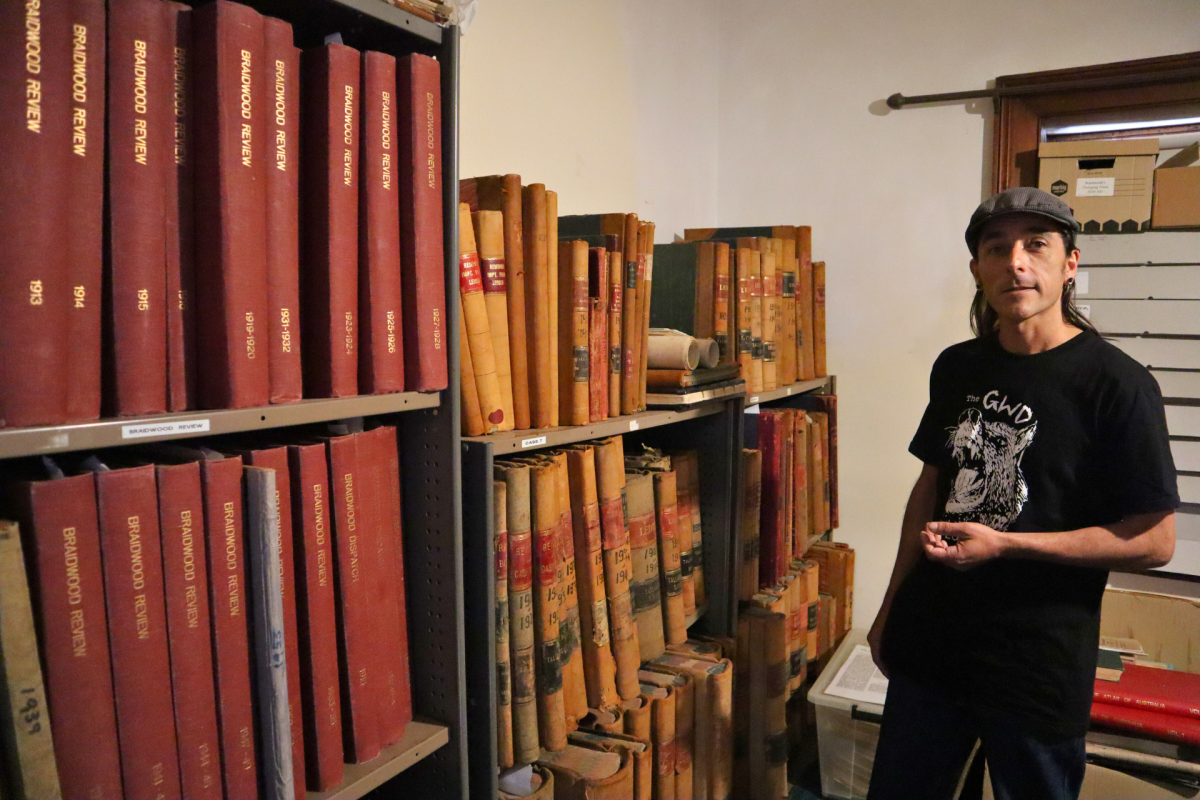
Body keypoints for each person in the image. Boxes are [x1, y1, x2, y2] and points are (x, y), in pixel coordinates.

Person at [865, 187, 1179, 800]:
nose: (1016, 261)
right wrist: (888, 613)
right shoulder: (957, 366)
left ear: (1069, 265)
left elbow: (1155, 540)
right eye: (997, 247)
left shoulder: (1119, 386)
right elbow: (931, 487)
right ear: (977, 268)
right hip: (933, 646)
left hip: (1036, 666)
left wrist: (1007, 546)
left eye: (1036, 244)